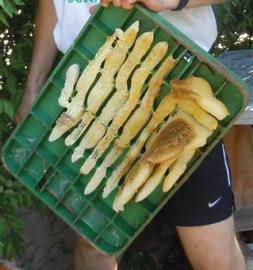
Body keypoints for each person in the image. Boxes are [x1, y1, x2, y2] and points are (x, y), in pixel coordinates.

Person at [15, 0, 246, 269]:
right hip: (93, 88)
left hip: (181, 91)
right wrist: (34, 84)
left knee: (215, 257)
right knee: (94, 245)